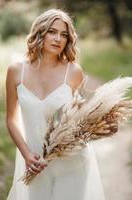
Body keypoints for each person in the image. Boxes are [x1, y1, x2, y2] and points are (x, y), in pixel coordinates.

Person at [6, 9, 105, 200]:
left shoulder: (74, 72)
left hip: (71, 161)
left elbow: (82, 117)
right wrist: (26, 154)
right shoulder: (16, 71)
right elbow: (11, 118)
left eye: (64, 34)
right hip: (35, 162)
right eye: (52, 31)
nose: (58, 39)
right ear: (39, 32)